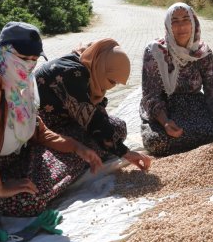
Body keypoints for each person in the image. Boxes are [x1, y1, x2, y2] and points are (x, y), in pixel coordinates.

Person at [0, 22, 103, 217]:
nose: (29, 65)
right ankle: (5, 190)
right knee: (30, 200)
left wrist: (77, 148)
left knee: (82, 147)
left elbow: (38, 131)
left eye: (34, 59)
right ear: (3, 52)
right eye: (23, 58)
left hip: (8, 161)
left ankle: (35, 179)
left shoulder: (23, 84)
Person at [140, 2, 213, 156]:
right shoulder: (155, 52)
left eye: (186, 20)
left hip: (195, 105)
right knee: (157, 142)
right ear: (168, 26)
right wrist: (165, 122)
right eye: (175, 22)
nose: (181, 27)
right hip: (166, 109)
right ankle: (190, 137)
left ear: (193, 23)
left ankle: (194, 139)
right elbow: (151, 94)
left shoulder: (202, 52)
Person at [35, 38, 152, 170]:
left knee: (117, 128)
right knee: (91, 146)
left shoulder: (88, 65)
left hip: (68, 119)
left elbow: (97, 111)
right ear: (101, 66)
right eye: (111, 81)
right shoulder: (71, 74)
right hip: (46, 128)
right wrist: (124, 152)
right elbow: (92, 118)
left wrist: (118, 146)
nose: (111, 87)